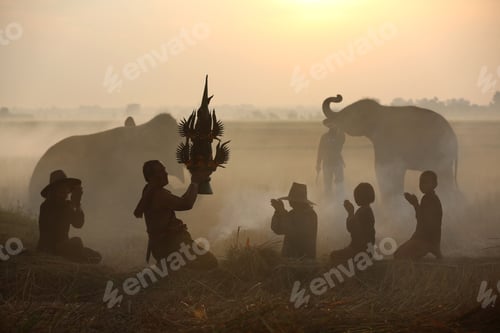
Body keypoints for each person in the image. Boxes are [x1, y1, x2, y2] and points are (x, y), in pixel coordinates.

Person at [133, 160, 217, 269]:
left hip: (163, 247)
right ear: (153, 177)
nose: (166, 173)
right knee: (210, 262)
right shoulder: (160, 195)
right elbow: (186, 204)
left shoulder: (149, 190)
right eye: (161, 171)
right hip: (172, 247)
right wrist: (195, 182)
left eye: (164, 170)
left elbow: (181, 201)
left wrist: (194, 183)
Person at [37, 170, 101, 263]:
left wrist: (78, 204)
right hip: (50, 248)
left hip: (65, 246)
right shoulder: (46, 206)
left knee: (97, 255)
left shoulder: (67, 205)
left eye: (65, 187)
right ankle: (80, 258)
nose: (64, 191)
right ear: (54, 190)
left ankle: (80, 257)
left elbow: (78, 224)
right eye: (60, 188)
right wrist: (72, 205)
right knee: (77, 242)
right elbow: (53, 228)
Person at [394, 170, 443, 260]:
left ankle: (431, 248)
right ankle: (433, 248)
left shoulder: (431, 200)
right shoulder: (427, 199)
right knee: (398, 253)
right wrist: (415, 204)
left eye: (425, 182)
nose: (422, 185)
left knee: (400, 256)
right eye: (421, 182)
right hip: (424, 238)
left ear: (434, 184)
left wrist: (415, 204)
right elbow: (422, 219)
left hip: (426, 239)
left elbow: (424, 222)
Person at [330, 183, 375, 263]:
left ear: (361, 197)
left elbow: (352, 229)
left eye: (357, 196)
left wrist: (350, 212)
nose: (355, 198)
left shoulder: (363, 212)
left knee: (333, 255)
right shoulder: (366, 210)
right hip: (366, 249)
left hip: (361, 250)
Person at [270, 182, 317, 259]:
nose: (290, 202)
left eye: (292, 200)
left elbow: (293, 231)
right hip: (289, 258)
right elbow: (277, 229)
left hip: (303, 260)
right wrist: (278, 212)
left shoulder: (310, 215)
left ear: (298, 202)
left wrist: (282, 211)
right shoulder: (292, 213)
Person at [316, 121, 345, 196]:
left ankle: (339, 200)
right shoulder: (324, 137)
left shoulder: (340, 136)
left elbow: (340, 144)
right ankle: (330, 201)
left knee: (339, 184)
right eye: (331, 126)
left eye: (334, 125)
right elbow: (320, 151)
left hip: (336, 163)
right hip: (328, 163)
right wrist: (318, 164)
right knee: (328, 185)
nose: (333, 127)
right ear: (328, 126)